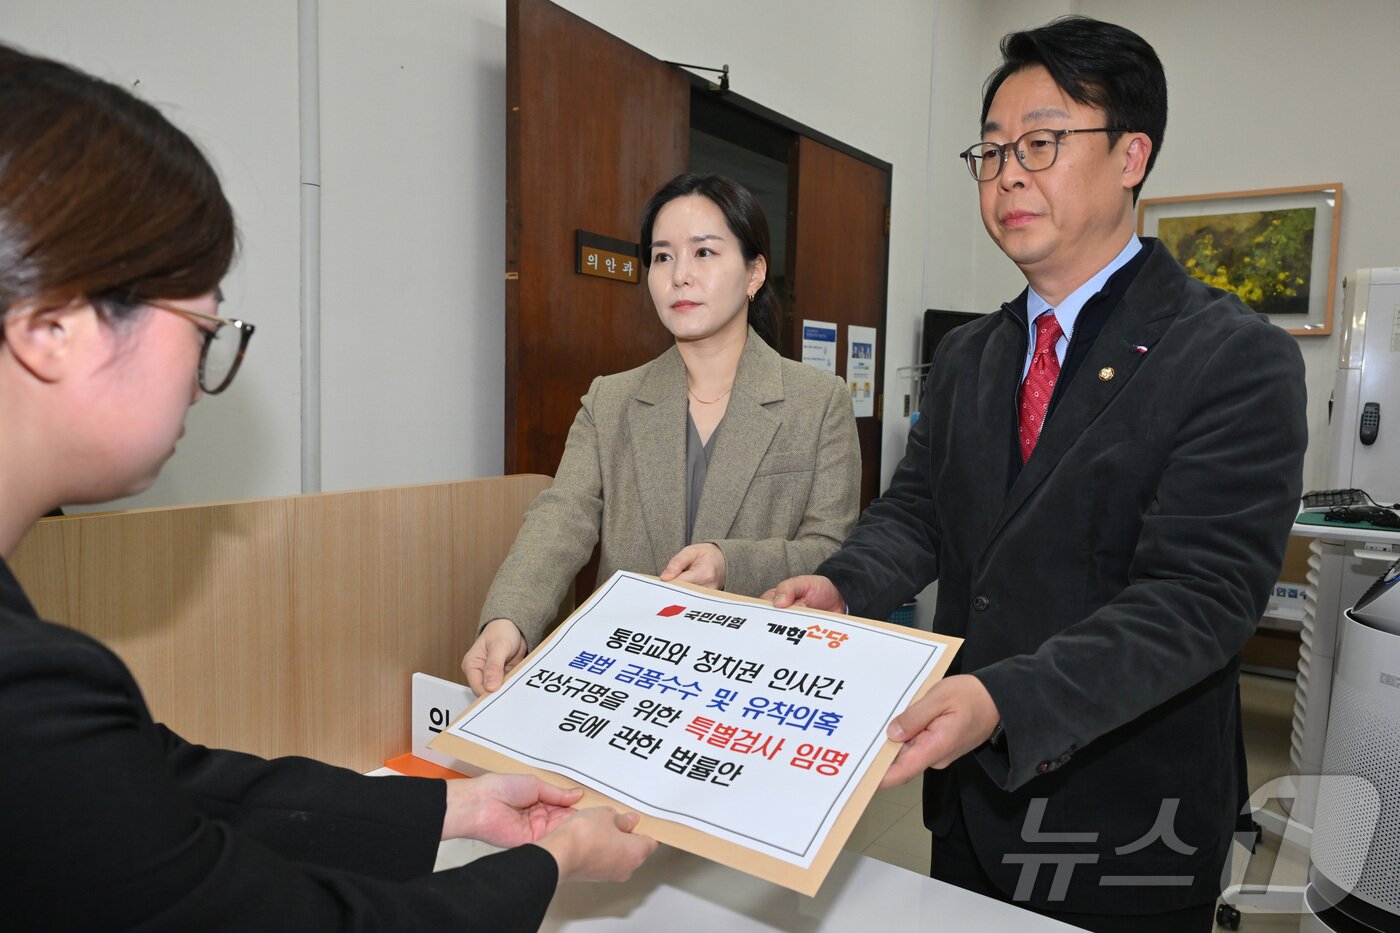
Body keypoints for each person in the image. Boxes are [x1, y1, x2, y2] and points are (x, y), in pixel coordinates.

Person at [0, 43, 654, 931]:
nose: (204, 369)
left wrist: (452, 809)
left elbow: (161, 782)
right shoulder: (30, 690)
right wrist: (552, 864)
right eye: (203, 322)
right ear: (51, 326)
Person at [767, 16, 1306, 933]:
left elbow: (1197, 601)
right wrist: (841, 584)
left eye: (1042, 143)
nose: (1008, 172)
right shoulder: (973, 355)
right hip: (970, 795)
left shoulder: (1232, 357)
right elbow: (918, 515)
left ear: (1132, 155)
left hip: (1127, 811)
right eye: (990, 151)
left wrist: (1002, 699)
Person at [462, 173, 860, 694]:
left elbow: (831, 548)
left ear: (754, 272)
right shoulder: (612, 400)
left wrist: (730, 563)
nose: (679, 277)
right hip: (628, 677)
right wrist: (509, 617)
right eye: (663, 256)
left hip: (754, 680)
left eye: (704, 253)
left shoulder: (818, 401)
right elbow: (563, 516)